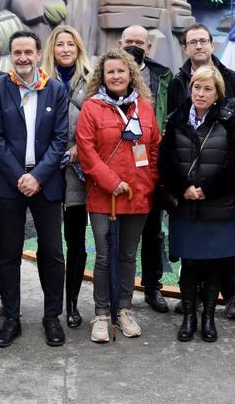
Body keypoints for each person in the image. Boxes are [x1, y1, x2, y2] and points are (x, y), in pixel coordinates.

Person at [0, 30, 70, 347]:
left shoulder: (56, 89)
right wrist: (20, 175)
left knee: (52, 253)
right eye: (17, 52)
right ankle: (11, 317)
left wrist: (38, 176)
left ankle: (51, 317)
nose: (22, 58)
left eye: (28, 52)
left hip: (46, 184)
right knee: (8, 254)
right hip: (8, 184)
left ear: (37, 54)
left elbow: (60, 139)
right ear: (10, 55)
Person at [76, 49, 162, 343]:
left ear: (130, 74)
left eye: (121, 71)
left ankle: (124, 309)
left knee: (127, 255)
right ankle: (101, 313)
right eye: (110, 71)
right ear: (103, 75)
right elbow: (86, 152)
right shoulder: (92, 108)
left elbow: (153, 149)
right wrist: (110, 181)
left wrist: (147, 181)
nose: (116, 76)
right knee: (104, 256)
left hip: (137, 196)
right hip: (104, 197)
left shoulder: (144, 108)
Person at [165, 23, 235, 319]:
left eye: (203, 41)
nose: (198, 46)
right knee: (192, 246)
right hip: (188, 180)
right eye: (192, 42)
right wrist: (183, 183)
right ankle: (194, 298)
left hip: (219, 183)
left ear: (212, 44)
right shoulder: (177, 82)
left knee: (222, 247)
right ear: (185, 47)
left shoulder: (234, 79)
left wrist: (213, 184)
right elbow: (173, 136)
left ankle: (232, 294)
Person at [117, 25, 172, 314]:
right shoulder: (105, 73)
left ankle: (152, 287)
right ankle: (116, 291)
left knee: (152, 232)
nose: (134, 46)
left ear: (148, 47)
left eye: (139, 42)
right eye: (129, 41)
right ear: (119, 43)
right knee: (115, 235)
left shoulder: (163, 76)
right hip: (115, 166)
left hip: (149, 163)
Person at [42, 25, 92, 330]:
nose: (64, 49)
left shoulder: (91, 81)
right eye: (59, 44)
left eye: (70, 44)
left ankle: (71, 303)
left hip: (78, 170)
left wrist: (78, 148)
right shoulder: (40, 79)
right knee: (49, 243)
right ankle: (51, 305)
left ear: (78, 48)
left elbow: (97, 121)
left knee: (75, 239)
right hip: (47, 169)